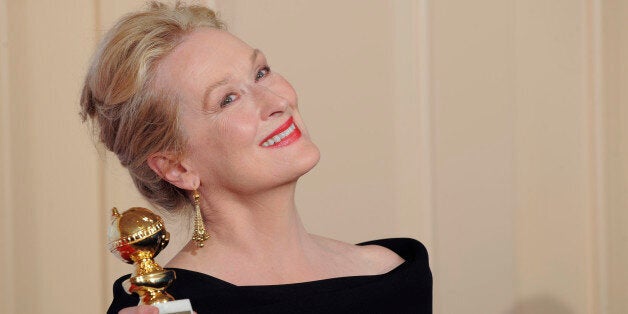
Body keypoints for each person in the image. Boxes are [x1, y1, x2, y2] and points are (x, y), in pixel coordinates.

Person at [80, 2, 432, 313]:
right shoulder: (160, 306)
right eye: (228, 99)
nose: (277, 102)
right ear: (177, 167)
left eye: (260, 73)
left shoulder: (393, 272)